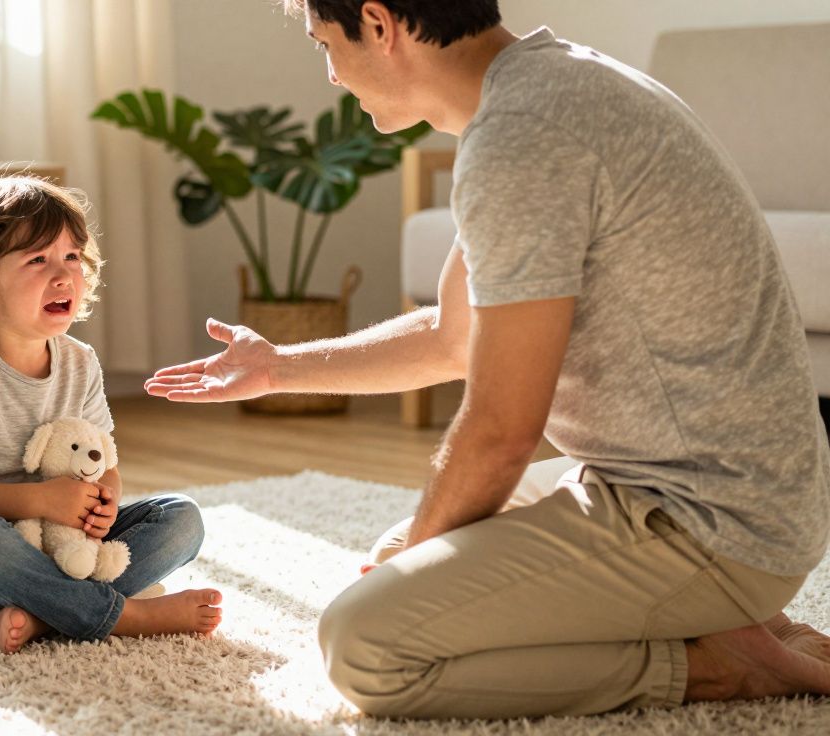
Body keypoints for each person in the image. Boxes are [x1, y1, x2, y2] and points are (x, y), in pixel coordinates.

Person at [145, 0, 830, 719]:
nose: (332, 75)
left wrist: (415, 570)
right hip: (695, 486)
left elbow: (503, 431)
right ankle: (720, 616)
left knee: (365, 645)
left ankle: (716, 666)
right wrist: (279, 366)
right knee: (401, 547)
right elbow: (453, 335)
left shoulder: (522, 137)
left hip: (712, 518)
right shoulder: (541, 90)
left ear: (379, 24)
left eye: (325, 44)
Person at [0, 175, 222, 654]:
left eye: (71, 257)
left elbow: (104, 464)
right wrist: (42, 501)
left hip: (63, 542)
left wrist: (104, 503)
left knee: (181, 517)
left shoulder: (80, 361)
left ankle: (45, 614)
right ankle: (120, 616)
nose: (63, 275)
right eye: (37, 260)